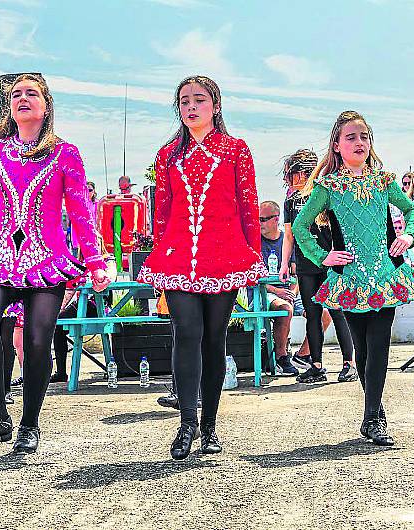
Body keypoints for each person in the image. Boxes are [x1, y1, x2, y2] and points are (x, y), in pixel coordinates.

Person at [0, 73, 110, 455]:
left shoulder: (66, 153)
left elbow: (79, 210)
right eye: (16, 94)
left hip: (47, 258)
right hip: (0, 255)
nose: (23, 99)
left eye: (31, 93)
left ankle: (29, 424)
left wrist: (95, 261)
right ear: (10, 107)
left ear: (46, 104)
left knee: (39, 341)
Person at [137, 75, 267, 460]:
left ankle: (209, 425)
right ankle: (186, 423)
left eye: (199, 99)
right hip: (178, 257)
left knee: (214, 339)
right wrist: (158, 254)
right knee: (186, 333)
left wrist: (251, 258)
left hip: (224, 257)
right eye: (184, 101)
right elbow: (161, 211)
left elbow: (248, 206)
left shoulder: (236, 151)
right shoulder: (167, 155)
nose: (191, 106)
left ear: (215, 105)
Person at [293, 110, 414, 447]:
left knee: (380, 345)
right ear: (337, 146)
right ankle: (376, 412)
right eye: (351, 137)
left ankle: (371, 419)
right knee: (363, 351)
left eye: (364, 137)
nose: (359, 142)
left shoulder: (384, 181)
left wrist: (409, 236)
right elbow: (300, 227)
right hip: (350, 278)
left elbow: (411, 210)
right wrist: (323, 256)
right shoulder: (328, 187)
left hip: (386, 275)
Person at [279, 149, 357, 384]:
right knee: (312, 315)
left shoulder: (327, 193)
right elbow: (289, 236)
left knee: (337, 311)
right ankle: (316, 365)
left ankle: (349, 363)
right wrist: (285, 264)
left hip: (331, 262)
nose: (286, 180)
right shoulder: (291, 201)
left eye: (289, 174)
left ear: (301, 173)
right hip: (305, 264)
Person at [255, 200, 297, 376]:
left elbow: (297, 274)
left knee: (323, 314)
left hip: (289, 290)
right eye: (258, 219)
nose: (260, 224)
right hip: (265, 291)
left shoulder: (287, 241)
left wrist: (293, 293)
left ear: (276, 219)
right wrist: (277, 291)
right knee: (285, 308)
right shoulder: (255, 243)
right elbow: (254, 278)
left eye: (264, 219)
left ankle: (304, 355)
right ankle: (281, 356)